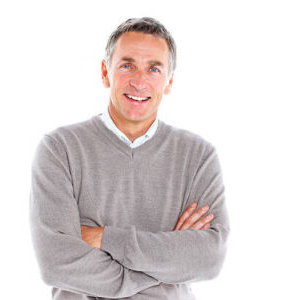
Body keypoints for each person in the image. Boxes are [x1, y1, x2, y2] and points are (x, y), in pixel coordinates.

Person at [29, 17, 230, 300]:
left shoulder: (198, 156)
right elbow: (55, 262)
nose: (139, 81)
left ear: (169, 80)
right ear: (104, 72)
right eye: (127, 65)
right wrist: (165, 264)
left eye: (154, 69)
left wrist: (105, 238)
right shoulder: (59, 149)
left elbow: (209, 258)